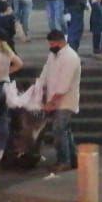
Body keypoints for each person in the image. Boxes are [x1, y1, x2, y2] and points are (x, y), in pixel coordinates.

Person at [38, 29, 82, 172]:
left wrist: (52, 103)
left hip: (65, 101)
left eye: (52, 44)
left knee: (59, 130)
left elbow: (64, 85)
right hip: (55, 98)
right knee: (65, 131)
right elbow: (46, 71)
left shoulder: (70, 58)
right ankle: (73, 159)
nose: (50, 47)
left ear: (60, 42)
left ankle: (64, 161)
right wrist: (39, 86)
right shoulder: (54, 55)